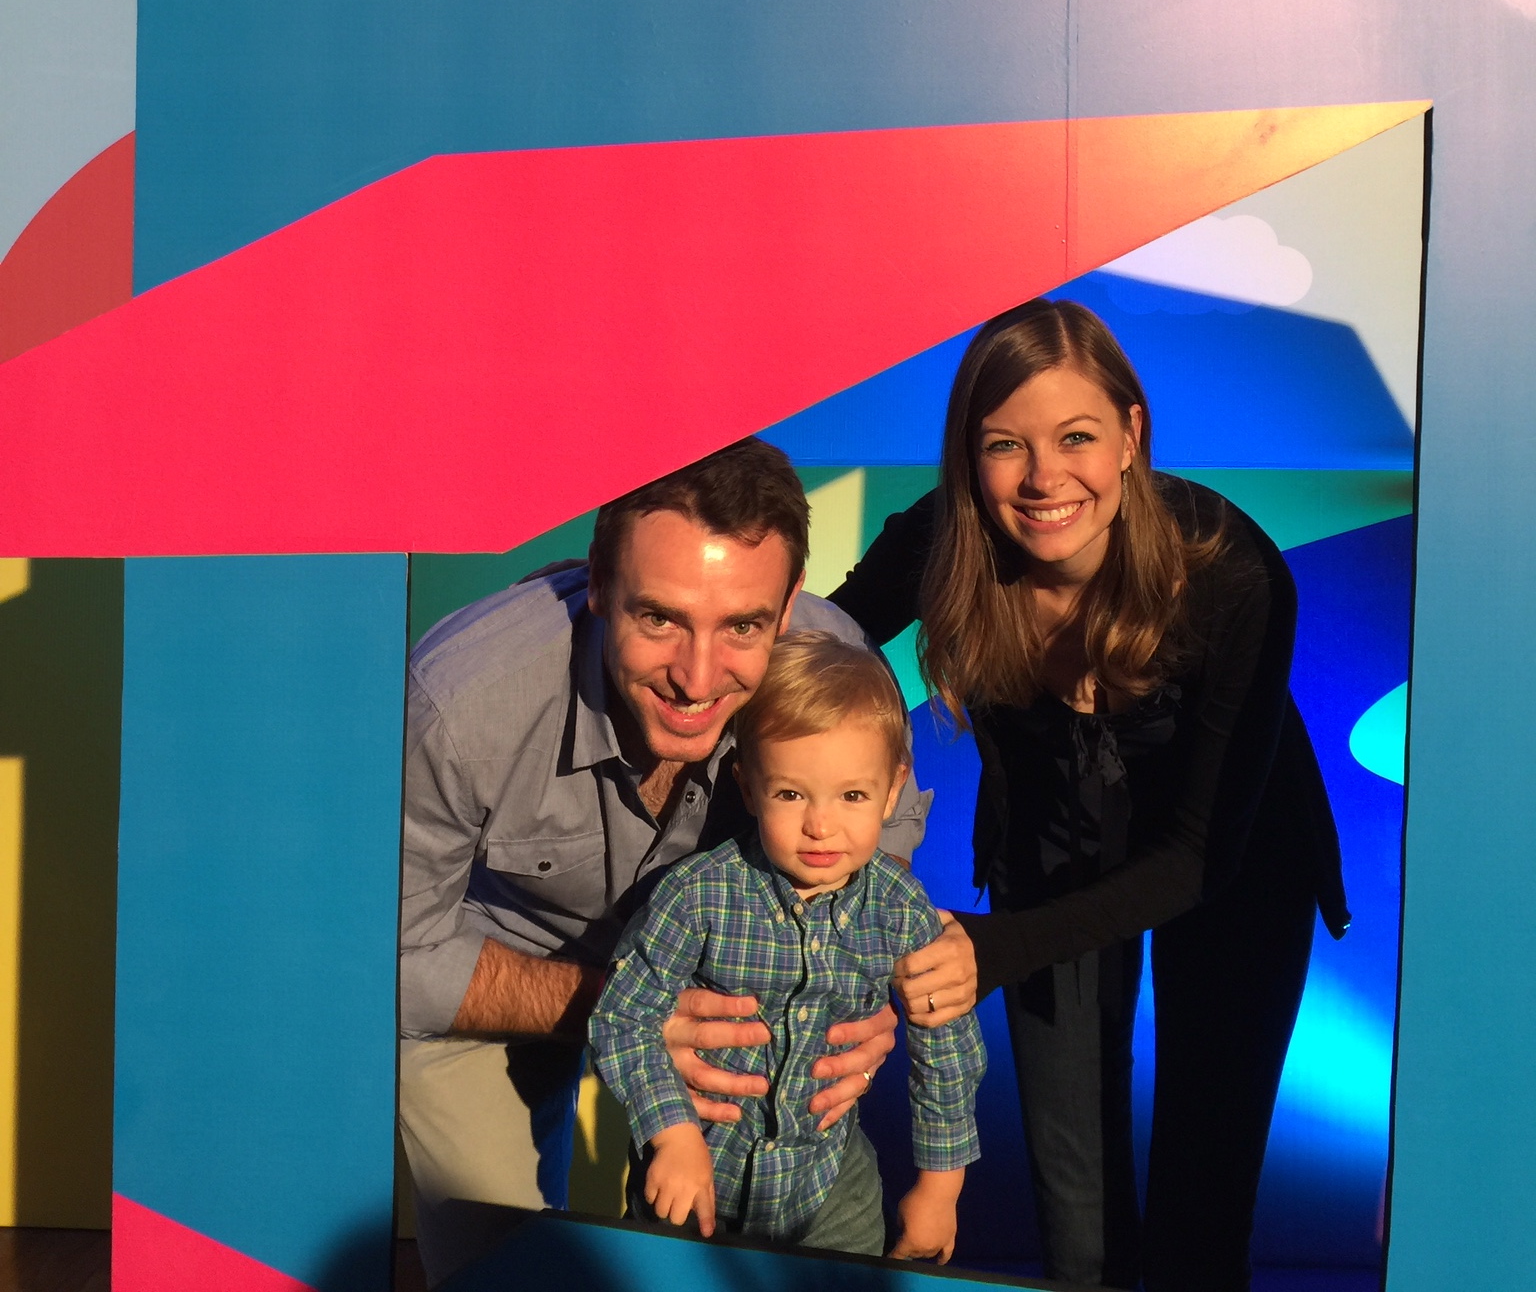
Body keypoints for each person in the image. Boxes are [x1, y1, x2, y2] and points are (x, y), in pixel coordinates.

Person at [837, 299, 1350, 1292]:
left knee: (1203, 1215)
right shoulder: (945, 538)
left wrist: (998, 946)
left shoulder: (1232, 571)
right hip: (1052, 844)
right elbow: (815, 650)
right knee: (1079, 1226)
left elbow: (1199, 855)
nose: (1044, 478)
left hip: (1236, 856)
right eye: (1006, 445)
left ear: (1130, 434)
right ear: (969, 455)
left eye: (1076, 436)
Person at [397, 438, 934, 1287]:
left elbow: (877, 863)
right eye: (659, 618)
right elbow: (395, 958)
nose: (696, 676)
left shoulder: (839, 672)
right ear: (599, 582)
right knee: (496, 1270)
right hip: (497, 974)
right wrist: (626, 1009)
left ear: (789, 605)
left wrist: (871, 985)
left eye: (743, 625)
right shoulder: (459, 703)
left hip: (727, 1003)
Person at [591, 632, 986, 1260]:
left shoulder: (899, 908)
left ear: (892, 790)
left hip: (828, 1189)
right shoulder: (698, 895)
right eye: (791, 794)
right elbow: (623, 1015)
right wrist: (671, 1134)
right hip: (697, 1174)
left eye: (852, 795)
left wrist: (941, 1189)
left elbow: (948, 1048)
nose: (820, 826)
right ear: (748, 788)